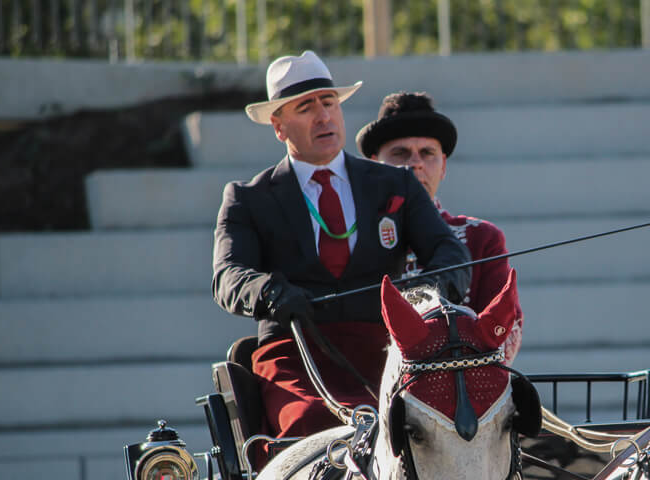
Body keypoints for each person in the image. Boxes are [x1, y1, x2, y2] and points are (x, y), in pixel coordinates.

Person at [212, 51, 471, 443]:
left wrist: (424, 294)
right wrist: (269, 291)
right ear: (279, 127)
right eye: (305, 107)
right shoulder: (247, 198)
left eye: (329, 103)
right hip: (294, 354)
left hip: (387, 353)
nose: (324, 117)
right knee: (313, 425)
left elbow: (450, 254)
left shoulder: (396, 184)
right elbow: (228, 277)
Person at [356, 92, 523, 360]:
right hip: (362, 391)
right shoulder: (349, 236)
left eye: (427, 153)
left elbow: (507, 329)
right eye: (400, 153)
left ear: (443, 165)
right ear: (374, 165)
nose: (415, 163)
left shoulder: (481, 238)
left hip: (458, 394)